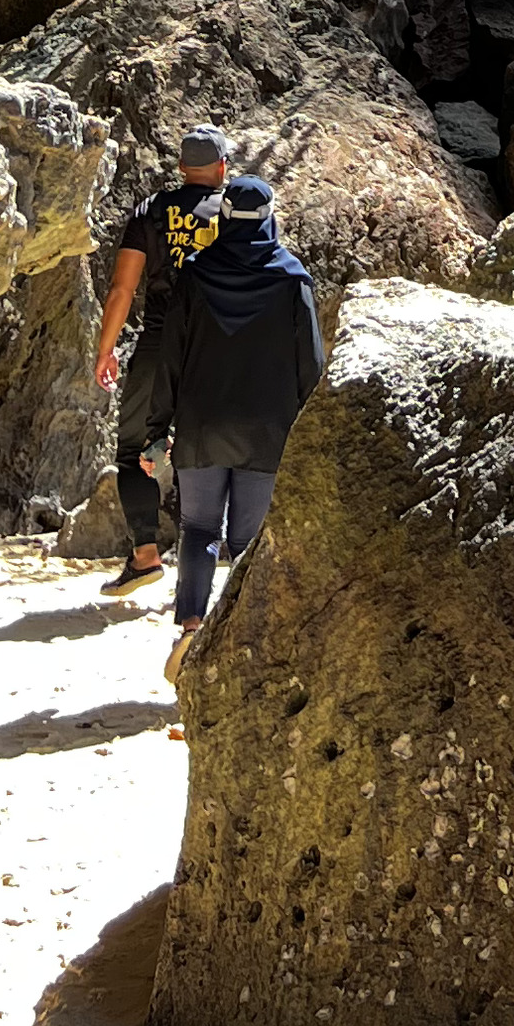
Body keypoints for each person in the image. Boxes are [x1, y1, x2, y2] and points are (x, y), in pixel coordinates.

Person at [157, 173, 322, 685]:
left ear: (223, 219)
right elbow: (310, 366)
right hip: (266, 431)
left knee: (199, 529)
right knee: (248, 538)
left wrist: (154, 428)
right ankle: (245, 642)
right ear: (270, 218)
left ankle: (190, 626)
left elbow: (169, 358)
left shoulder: (195, 273)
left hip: (201, 426)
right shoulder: (293, 280)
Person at [89, 123, 229, 595]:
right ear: (222, 168)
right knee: (211, 454)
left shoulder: (151, 210)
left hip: (156, 344)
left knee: (133, 449)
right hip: (215, 347)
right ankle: (211, 569)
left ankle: (145, 555)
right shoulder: (233, 212)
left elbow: (122, 288)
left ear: (181, 169)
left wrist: (106, 349)